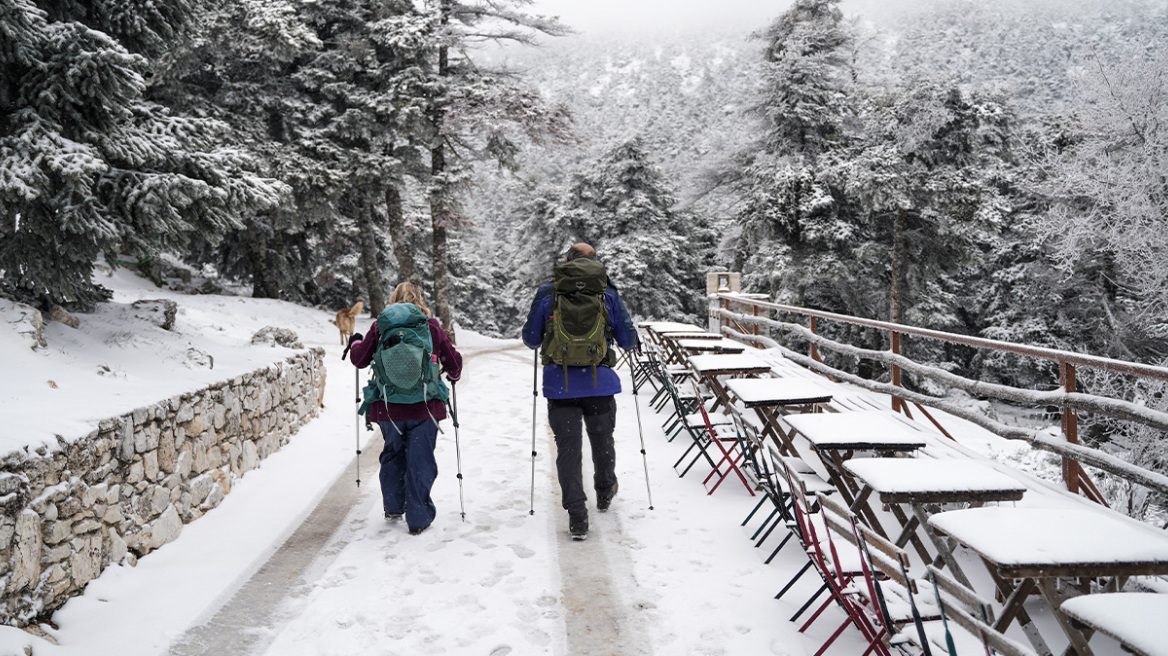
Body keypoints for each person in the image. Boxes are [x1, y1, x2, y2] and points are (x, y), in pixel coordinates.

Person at [522, 243, 638, 540]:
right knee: (602, 439)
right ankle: (605, 490)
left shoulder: (549, 293)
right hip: (599, 383)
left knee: (568, 450)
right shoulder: (607, 293)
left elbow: (531, 339)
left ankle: (577, 517)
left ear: (567, 261)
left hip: (560, 386)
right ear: (594, 261)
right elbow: (628, 340)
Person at [349, 282, 463, 536]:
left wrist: (356, 342)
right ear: (419, 300)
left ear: (393, 300)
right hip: (425, 408)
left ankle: (393, 506)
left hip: (389, 409)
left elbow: (359, 359)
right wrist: (453, 374)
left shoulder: (381, 326)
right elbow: (454, 363)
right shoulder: (430, 326)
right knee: (420, 459)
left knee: (393, 453)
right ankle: (418, 518)